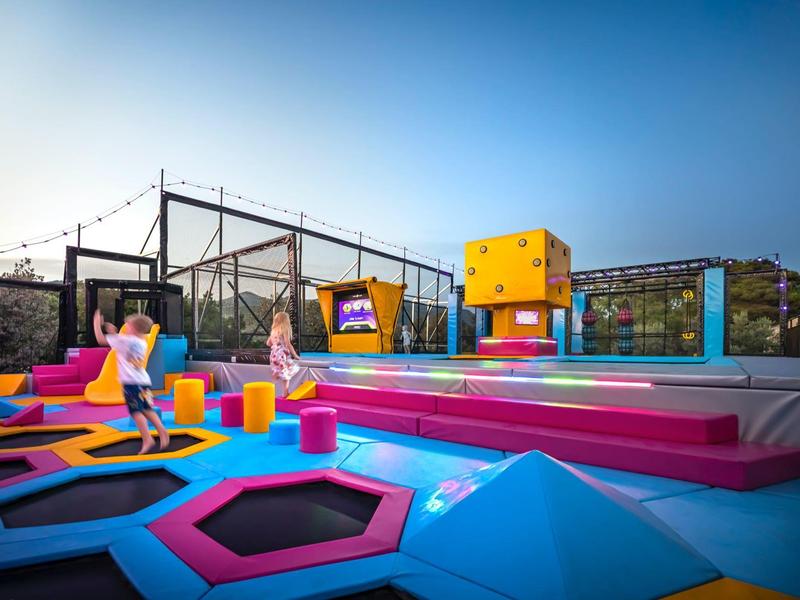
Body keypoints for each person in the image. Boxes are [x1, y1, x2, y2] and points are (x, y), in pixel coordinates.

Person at [93, 309, 170, 455]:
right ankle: (163, 433)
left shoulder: (124, 340)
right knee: (147, 409)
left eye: (127, 325)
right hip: (144, 381)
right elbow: (124, 343)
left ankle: (147, 439)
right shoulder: (142, 342)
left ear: (133, 328)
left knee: (136, 412)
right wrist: (115, 333)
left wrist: (97, 324)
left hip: (131, 383)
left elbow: (100, 339)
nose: (125, 327)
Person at [267, 311, 300, 397]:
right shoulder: (284, 329)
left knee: (283, 373)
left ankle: (274, 388)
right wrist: (295, 355)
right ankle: (285, 392)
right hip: (282, 354)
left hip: (274, 355)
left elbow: (268, 343)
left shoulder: (273, 331)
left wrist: (275, 344)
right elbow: (288, 343)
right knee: (289, 371)